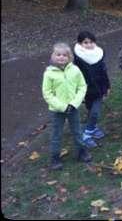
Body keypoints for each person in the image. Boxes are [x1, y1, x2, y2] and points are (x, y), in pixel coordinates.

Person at [42, 42, 91, 170]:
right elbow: (47, 93)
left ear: (69, 57)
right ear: (53, 56)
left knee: (77, 131)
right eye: (58, 55)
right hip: (57, 110)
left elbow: (82, 86)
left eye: (64, 55)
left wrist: (74, 104)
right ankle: (55, 158)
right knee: (56, 134)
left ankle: (81, 152)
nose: (61, 57)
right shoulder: (49, 73)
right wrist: (62, 106)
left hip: (73, 108)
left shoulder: (75, 70)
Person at [73, 31, 110, 148]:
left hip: (99, 88)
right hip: (87, 90)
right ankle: (92, 129)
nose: (89, 45)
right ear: (80, 43)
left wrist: (107, 86)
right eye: (85, 42)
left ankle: (87, 134)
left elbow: (103, 71)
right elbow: (76, 76)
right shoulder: (78, 59)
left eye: (91, 42)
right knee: (91, 111)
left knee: (95, 112)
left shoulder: (98, 54)